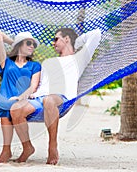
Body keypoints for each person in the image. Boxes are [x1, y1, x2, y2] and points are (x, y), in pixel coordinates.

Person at [10, 27, 102, 165]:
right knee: (15, 109)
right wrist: (28, 96)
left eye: (56, 39)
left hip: (63, 99)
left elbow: (96, 34)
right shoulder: (48, 63)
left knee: (49, 100)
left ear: (66, 39)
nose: (53, 43)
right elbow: (42, 87)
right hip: (41, 98)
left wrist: (76, 42)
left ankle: (52, 146)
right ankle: (27, 147)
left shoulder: (79, 58)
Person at [0, 30, 41, 165]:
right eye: (28, 43)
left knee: (4, 110)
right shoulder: (6, 62)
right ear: (20, 45)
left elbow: (33, 86)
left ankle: (6, 150)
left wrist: (20, 97)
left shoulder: (35, 65)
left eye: (33, 44)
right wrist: (15, 43)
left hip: (21, 100)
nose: (32, 46)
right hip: (4, 97)